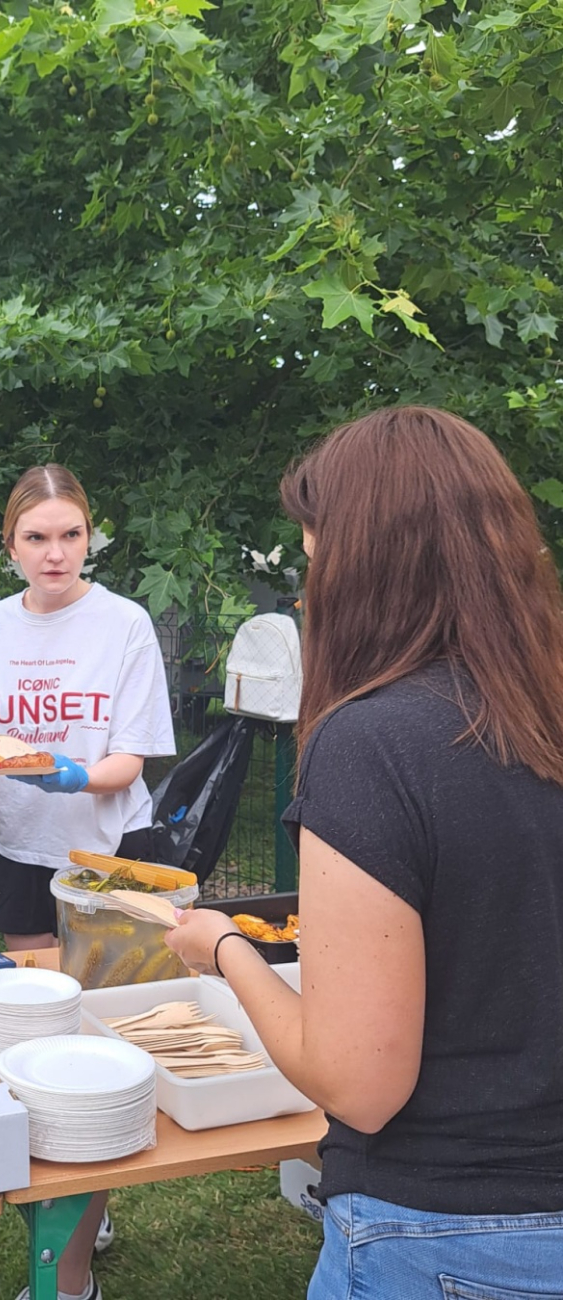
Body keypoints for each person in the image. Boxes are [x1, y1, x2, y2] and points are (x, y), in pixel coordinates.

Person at [166, 406, 563, 1299]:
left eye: (314, 553)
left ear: (365, 564)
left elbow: (359, 1085)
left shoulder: (373, 743)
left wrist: (225, 948)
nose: (310, 587)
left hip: (446, 1235)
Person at [0, 463, 176, 1300]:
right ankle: (75, 1189)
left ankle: (82, 1238)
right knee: (35, 1033)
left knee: (101, 1034)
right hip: (22, 848)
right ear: (10, 544)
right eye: (37, 538)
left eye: (71, 535)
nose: (56, 555)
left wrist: (71, 776)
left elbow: (131, 756)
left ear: (90, 535)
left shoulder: (122, 623)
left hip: (108, 853)